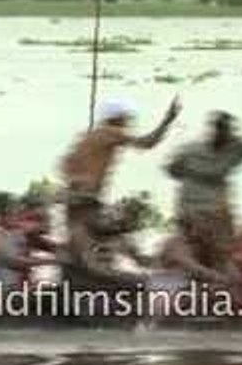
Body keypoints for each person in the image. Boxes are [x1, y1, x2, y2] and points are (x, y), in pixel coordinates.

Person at [60, 96, 180, 286]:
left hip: (78, 201)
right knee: (100, 247)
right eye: (125, 119)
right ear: (116, 118)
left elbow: (64, 166)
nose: (127, 124)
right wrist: (168, 119)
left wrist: (78, 185)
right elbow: (147, 143)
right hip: (87, 201)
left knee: (89, 246)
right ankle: (138, 279)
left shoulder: (87, 137)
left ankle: (130, 272)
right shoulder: (111, 132)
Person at [166, 112, 242, 277]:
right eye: (221, 130)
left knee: (222, 252)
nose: (224, 135)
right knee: (195, 247)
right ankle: (203, 276)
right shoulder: (191, 151)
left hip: (216, 208)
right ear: (214, 131)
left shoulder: (237, 147)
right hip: (191, 206)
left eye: (227, 131)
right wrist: (195, 176)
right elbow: (172, 170)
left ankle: (221, 280)